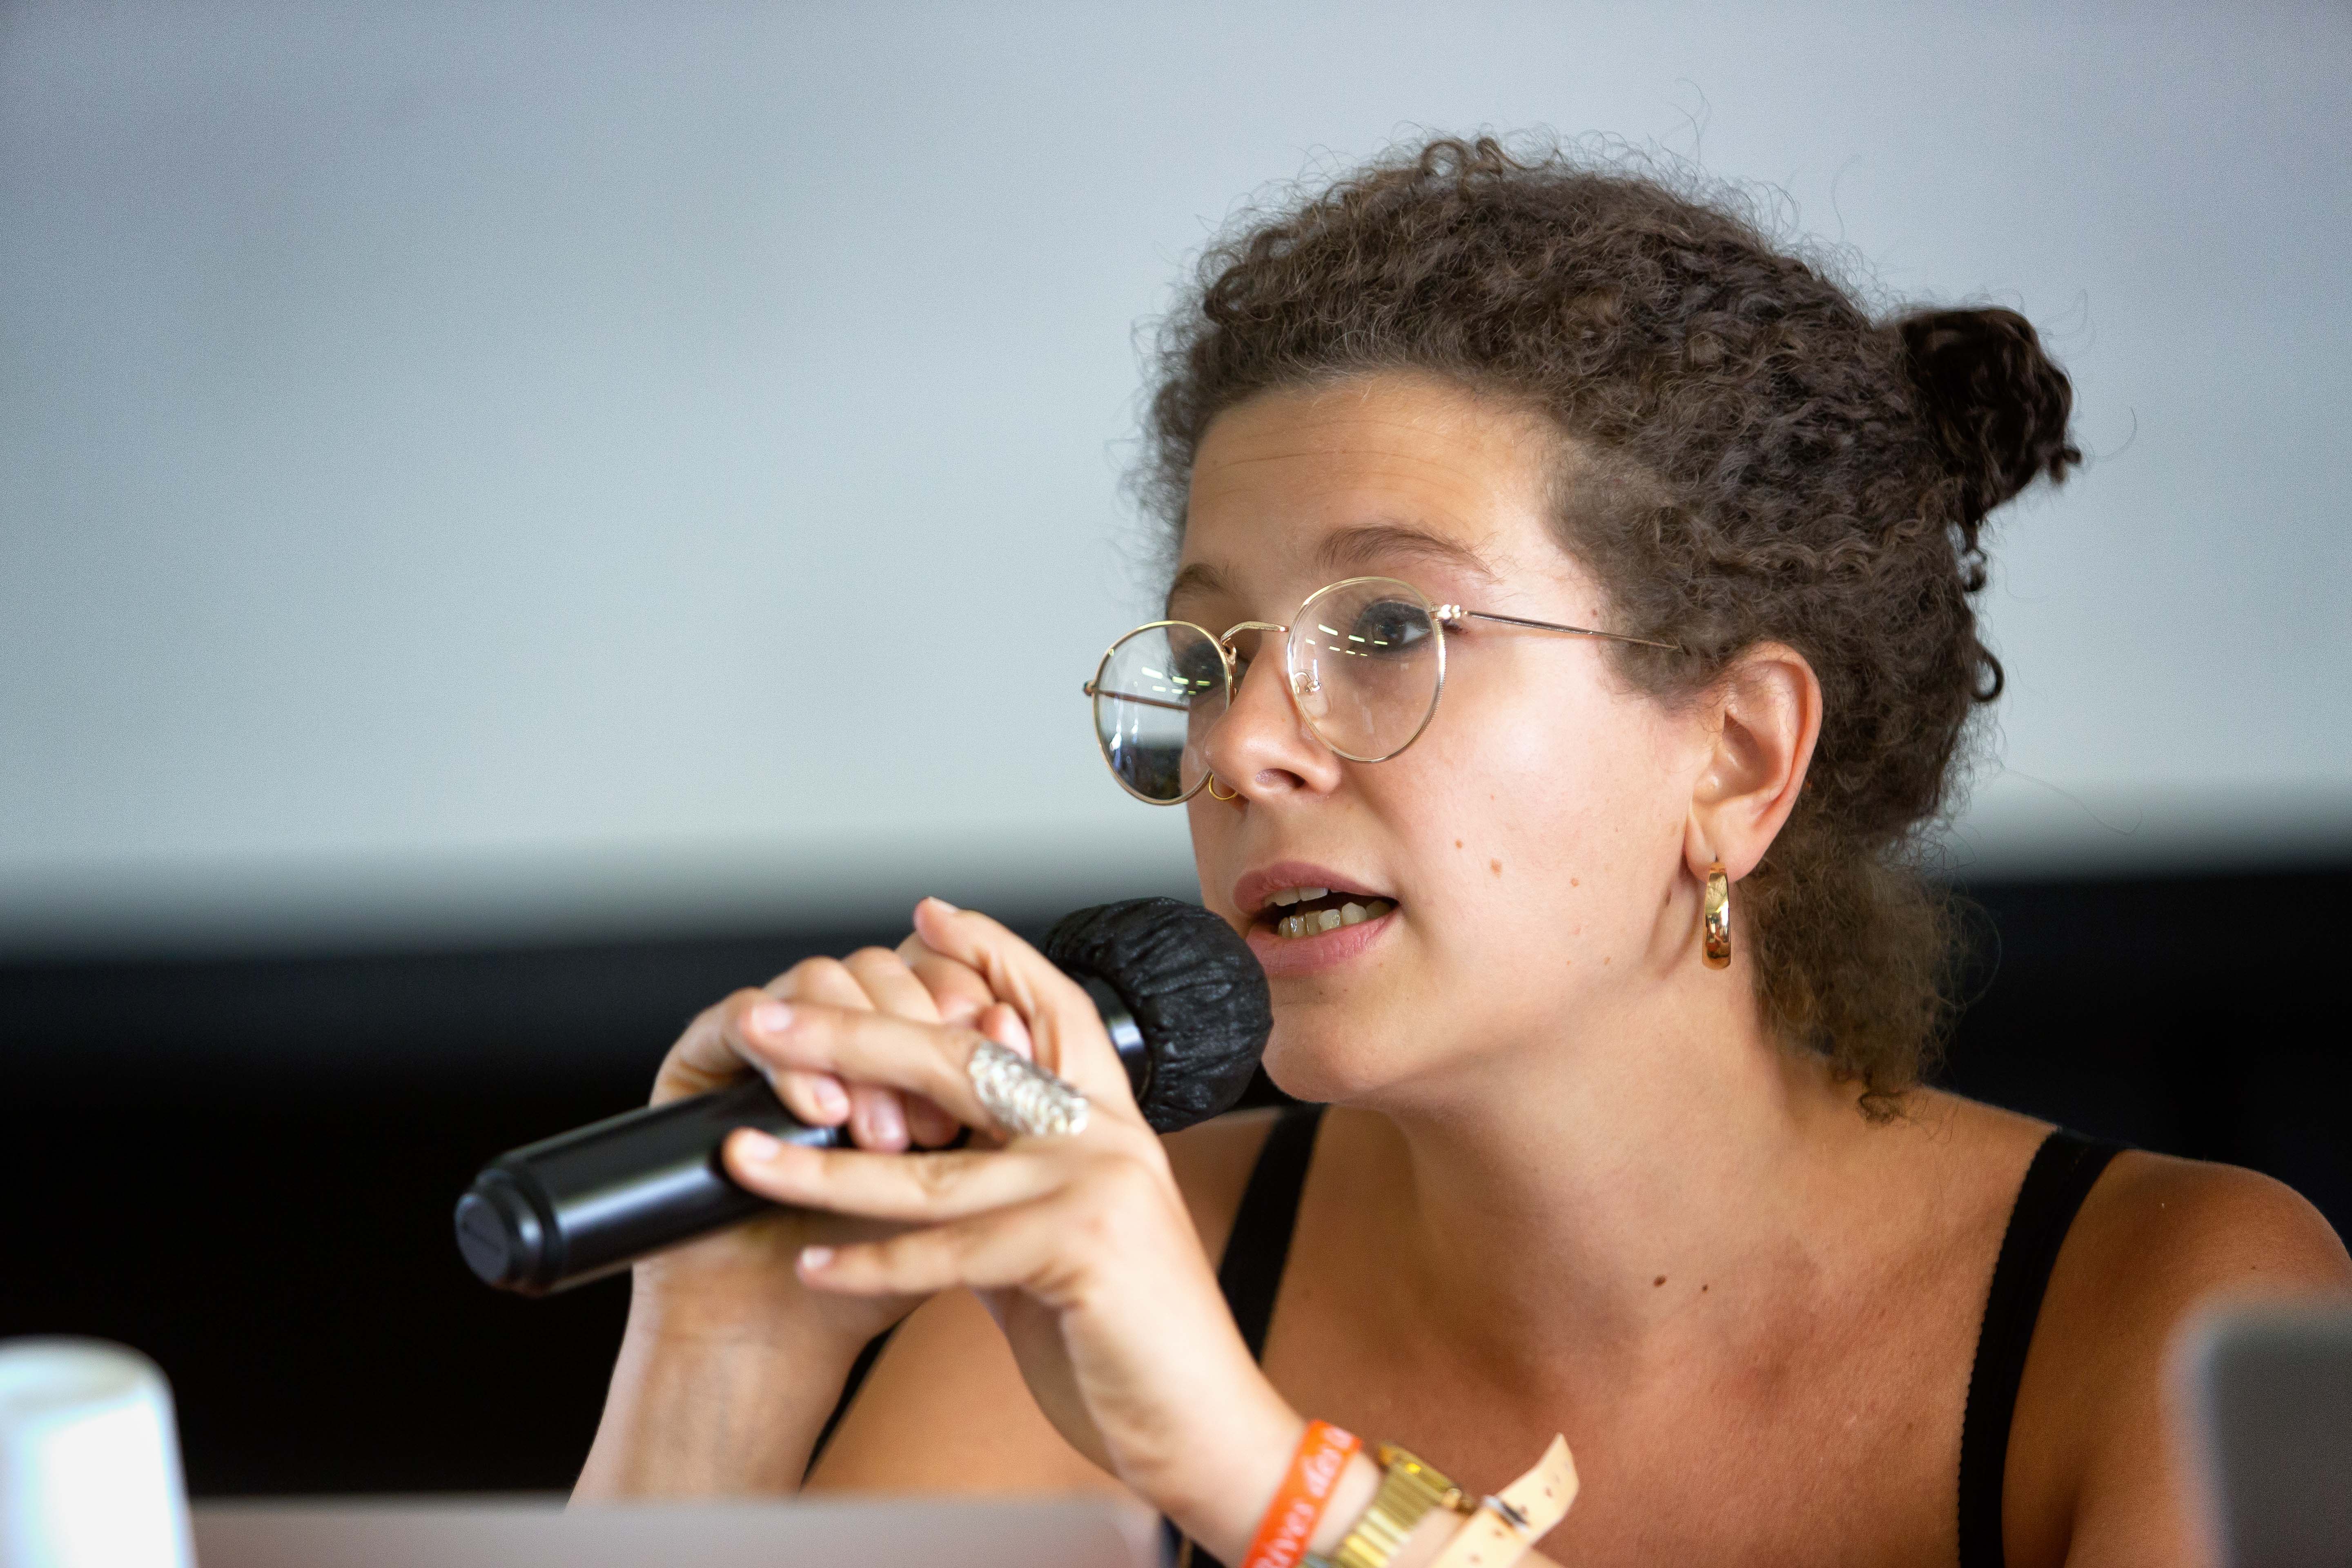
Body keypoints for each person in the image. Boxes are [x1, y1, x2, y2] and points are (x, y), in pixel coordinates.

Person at [574, 138, 2352, 1566]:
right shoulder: (1106, 1253)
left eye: (1386, 632)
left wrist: (1263, 1482)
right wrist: (720, 1357)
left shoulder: (2169, 1303)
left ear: (1737, 757)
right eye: (1210, 658)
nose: (1241, 747)